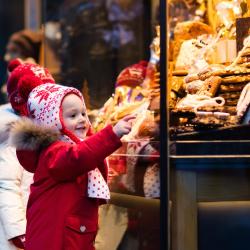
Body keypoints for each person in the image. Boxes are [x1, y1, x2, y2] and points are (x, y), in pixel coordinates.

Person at [9, 59, 135, 250]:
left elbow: (87, 158)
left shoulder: (72, 146)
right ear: (53, 120)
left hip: (72, 234)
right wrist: (112, 133)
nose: (82, 120)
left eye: (83, 114)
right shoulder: (54, 152)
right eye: (72, 115)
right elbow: (80, 157)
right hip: (55, 239)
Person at [0, 59, 56, 250]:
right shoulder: (15, 133)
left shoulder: (39, 126)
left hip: (34, 224)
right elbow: (6, 184)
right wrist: (18, 232)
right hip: (16, 233)